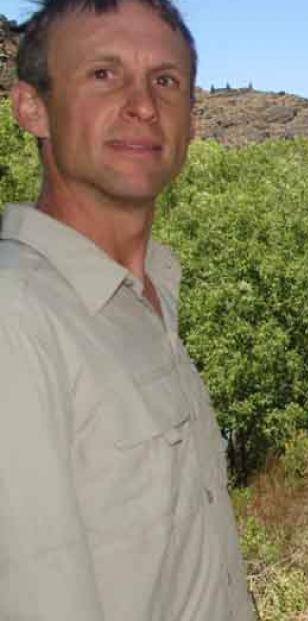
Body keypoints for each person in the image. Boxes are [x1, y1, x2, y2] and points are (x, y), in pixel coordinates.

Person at [0, 1, 256, 619]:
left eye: (165, 80)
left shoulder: (149, 300)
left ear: (191, 121)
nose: (144, 104)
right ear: (31, 107)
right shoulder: (16, 321)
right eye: (103, 74)